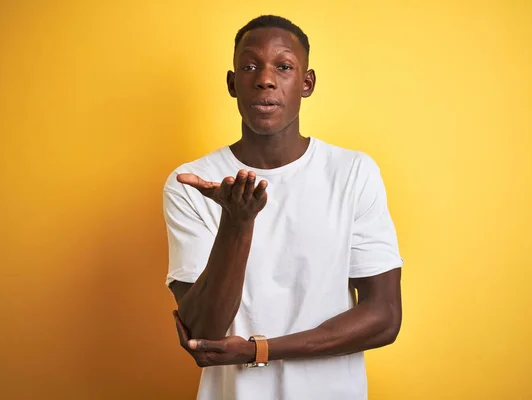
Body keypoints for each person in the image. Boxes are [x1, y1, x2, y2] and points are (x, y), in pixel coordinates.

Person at [163, 14, 404, 400]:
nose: (265, 79)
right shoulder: (193, 183)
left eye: (284, 66)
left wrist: (261, 350)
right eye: (249, 66)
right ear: (232, 83)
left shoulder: (352, 172)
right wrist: (237, 224)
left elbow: (384, 317)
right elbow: (204, 334)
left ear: (306, 83)